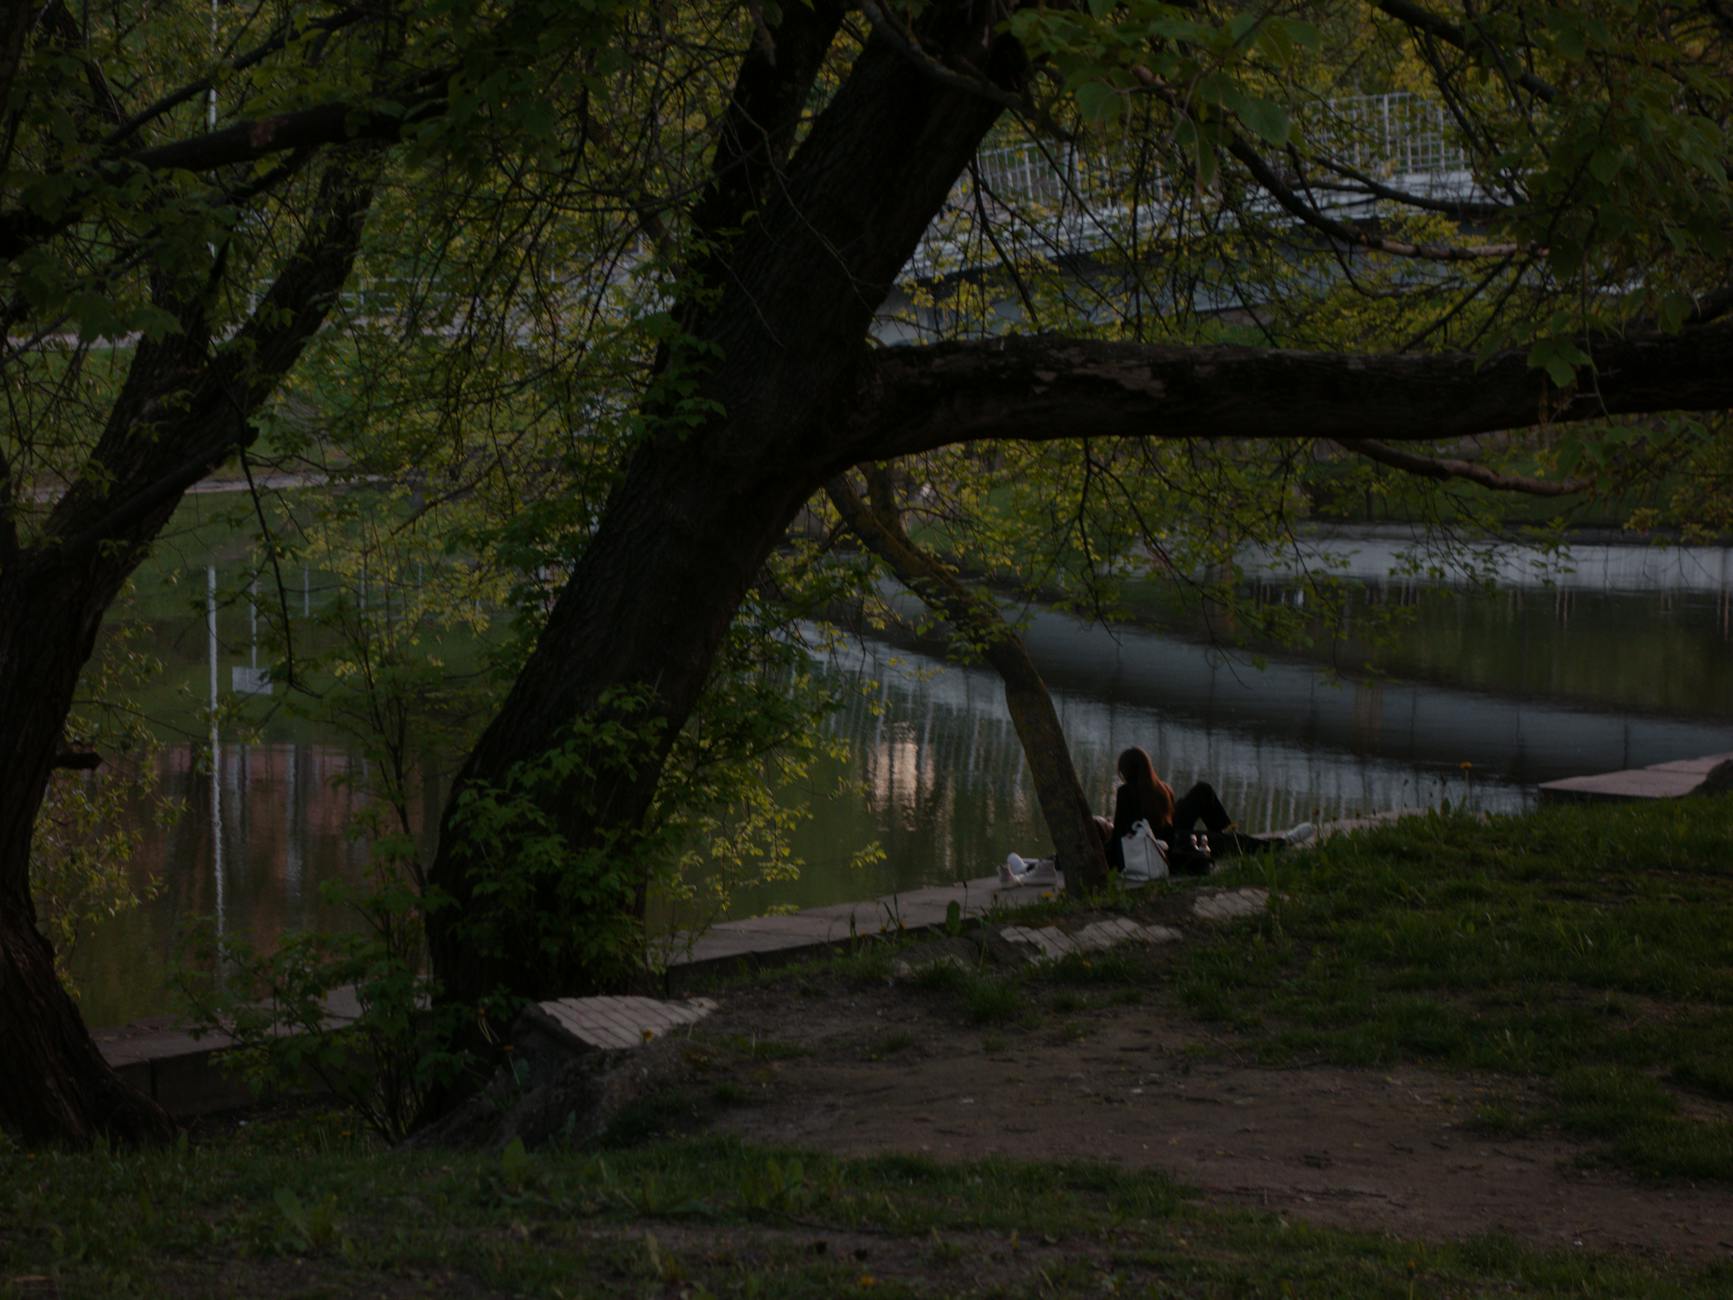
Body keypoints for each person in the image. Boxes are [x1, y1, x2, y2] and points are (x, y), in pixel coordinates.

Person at [1106, 746, 1306, 869]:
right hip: (1167, 837)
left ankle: (1277, 843)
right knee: (1206, 799)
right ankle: (1229, 837)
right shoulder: (1161, 789)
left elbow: (1120, 836)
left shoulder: (1127, 793)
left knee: (1203, 794)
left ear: (1125, 771)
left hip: (1169, 841)